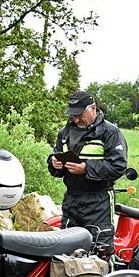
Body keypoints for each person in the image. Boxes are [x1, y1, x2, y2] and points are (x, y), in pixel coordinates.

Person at [47, 90, 127, 258]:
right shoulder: (64, 133)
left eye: (79, 114)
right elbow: (56, 161)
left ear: (93, 108)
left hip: (98, 201)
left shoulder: (110, 132)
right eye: (73, 115)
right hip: (71, 200)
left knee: (100, 250)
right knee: (66, 251)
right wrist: (54, 163)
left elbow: (118, 166)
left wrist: (86, 168)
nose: (76, 119)